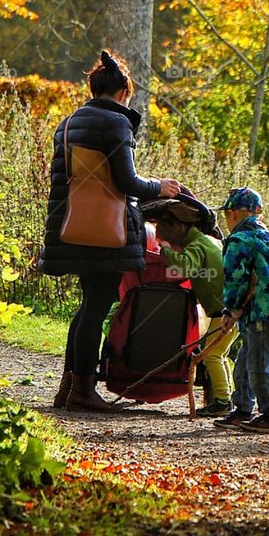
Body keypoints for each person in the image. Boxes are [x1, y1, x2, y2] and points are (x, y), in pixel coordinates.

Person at [39, 50, 182, 412]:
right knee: (97, 306)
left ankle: (70, 388)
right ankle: (83, 392)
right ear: (123, 93)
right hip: (106, 231)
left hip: (72, 226)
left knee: (88, 306)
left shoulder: (69, 122)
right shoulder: (117, 123)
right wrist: (160, 187)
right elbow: (127, 181)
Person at [143, 198, 238, 418]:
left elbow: (184, 268)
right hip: (230, 308)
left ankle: (222, 402)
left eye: (167, 237)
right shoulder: (210, 241)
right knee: (220, 354)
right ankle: (225, 398)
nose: (164, 239)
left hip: (222, 311)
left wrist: (164, 251)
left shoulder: (196, 246)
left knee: (212, 355)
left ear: (177, 230)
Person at [212, 187, 269, 435]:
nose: (226, 220)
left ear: (233, 213)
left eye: (227, 215)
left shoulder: (239, 241)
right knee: (245, 363)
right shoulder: (266, 237)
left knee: (257, 366)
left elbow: (237, 279)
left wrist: (230, 310)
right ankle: (243, 410)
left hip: (260, 313)